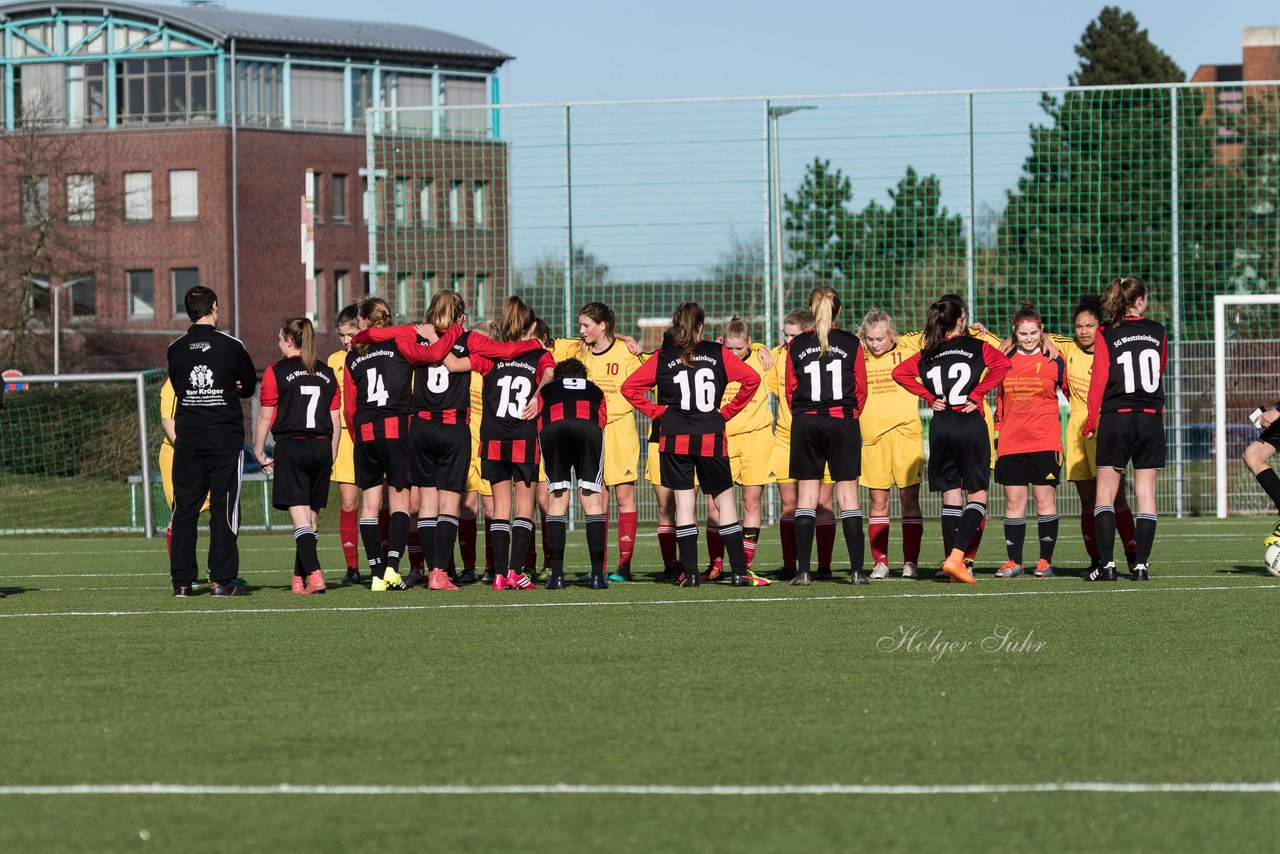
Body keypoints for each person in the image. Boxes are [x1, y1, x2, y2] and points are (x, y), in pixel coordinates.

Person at [358, 292, 545, 591]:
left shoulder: (414, 333)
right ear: (460, 317)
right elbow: (508, 352)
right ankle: (439, 574)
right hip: (452, 427)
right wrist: (536, 346)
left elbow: (370, 333)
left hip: (419, 427)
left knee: (427, 505)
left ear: (431, 311)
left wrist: (375, 333)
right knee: (449, 504)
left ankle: (433, 569)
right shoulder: (468, 338)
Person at [621, 302, 764, 587]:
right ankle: (739, 572)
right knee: (724, 500)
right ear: (701, 327)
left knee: (684, 503)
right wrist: (726, 412)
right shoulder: (717, 352)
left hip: (674, 437)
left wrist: (657, 412)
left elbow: (629, 388)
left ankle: (691, 574)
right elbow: (752, 379)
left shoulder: (663, 357)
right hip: (710, 435)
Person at [345, 296, 462, 591]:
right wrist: (452, 334)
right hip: (397, 429)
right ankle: (392, 569)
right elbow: (435, 354)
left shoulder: (352, 355)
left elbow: (349, 406)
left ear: (366, 322)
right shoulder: (400, 343)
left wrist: (356, 436)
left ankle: (374, 574)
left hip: (366, 432)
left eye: (359, 320)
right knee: (400, 505)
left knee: (370, 506)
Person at [893, 294, 1011, 584]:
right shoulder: (977, 347)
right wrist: (979, 392)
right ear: (961, 319)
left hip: (942, 425)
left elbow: (899, 373)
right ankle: (958, 558)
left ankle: (952, 561)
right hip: (969, 423)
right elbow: (1003, 366)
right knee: (978, 494)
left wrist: (929, 396)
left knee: (951, 496)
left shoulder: (928, 353)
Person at [444, 296, 556, 590]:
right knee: (523, 508)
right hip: (522, 437)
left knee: (498, 509)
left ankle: (497, 574)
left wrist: (437, 337)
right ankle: (515, 573)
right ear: (532, 327)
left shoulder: (491, 357)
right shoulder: (538, 354)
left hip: (493, 439)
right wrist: (538, 395)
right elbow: (549, 373)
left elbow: (453, 365)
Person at [166, 285, 258, 597]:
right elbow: (248, 387)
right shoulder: (232, 345)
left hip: (189, 438)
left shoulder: (175, 349)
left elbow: (180, 388)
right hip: (224, 438)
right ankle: (222, 580)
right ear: (214, 307)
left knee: (185, 510)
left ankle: (182, 582)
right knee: (225, 508)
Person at [550, 303, 646, 581]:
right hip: (591, 431)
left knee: (624, 496)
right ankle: (599, 567)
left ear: (603, 325)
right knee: (597, 498)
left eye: (586, 325)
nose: (581, 331)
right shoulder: (576, 349)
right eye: (580, 325)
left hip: (620, 430)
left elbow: (652, 372)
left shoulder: (627, 353)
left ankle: (624, 567)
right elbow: (543, 341)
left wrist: (626, 339)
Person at [1082, 276, 1166, 582]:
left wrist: (1091, 422)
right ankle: (1141, 565)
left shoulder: (1106, 332)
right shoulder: (1158, 330)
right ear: (1141, 300)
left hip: (1117, 416)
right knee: (1146, 493)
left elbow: (1099, 379)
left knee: (1104, 494)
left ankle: (1107, 565)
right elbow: (1159, 370)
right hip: (1150, 417)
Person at [784, 287, 870, 586]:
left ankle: (804, 571)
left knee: (806, 497)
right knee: (848, 497)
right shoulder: (851, 342)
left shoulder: (796, 345)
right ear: (840, 311)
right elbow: (861, 388)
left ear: (810, 310)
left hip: (807, 423)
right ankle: (858, 571)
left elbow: (790, 390)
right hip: (842, 421)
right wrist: (848, 417)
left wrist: (805, 416)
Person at [1050, 297, 1140, 573]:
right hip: (1077, 429)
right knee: (1087, 500)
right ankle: (1097, 559)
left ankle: (1133, 554)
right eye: (1078, 326)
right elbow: (1032, 333)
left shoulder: (1111, 348)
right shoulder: (1066, 348)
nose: (1084, 331)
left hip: (1107, 427)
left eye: (1090, 325)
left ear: (1100, 326)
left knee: (1116, 498)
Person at [252, 318, 341, 594]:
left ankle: (315, 574)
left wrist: (257, 450)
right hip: (321, 447)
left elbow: (266, 416)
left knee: (301, 519)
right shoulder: (326, 372)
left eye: (280, 337)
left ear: (290, 341)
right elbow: (335, 419)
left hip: (292, 446)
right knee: (310, 521)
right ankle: (298, 578)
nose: (278, 342)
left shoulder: (276, 371)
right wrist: (332, 452)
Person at [992, 304, 1065, 579]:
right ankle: (1015, 561)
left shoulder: (1055, 358)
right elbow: (998, 398)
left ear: (1042, 331)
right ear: (1015, 332)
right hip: (1011, 441)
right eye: (1023, 333)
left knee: (1043, 499)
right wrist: (998, 433)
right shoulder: (1003, 357)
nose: (1029, 338)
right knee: (1014, 502)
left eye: (1034, 333)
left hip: (1045, 440)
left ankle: (1045, 561)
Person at [767, 309, 838, 580]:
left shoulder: (825, 352)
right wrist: (762, 348)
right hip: (786, 438)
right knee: (788, 504)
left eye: (792, 335)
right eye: (784, 335)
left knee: (823, 502)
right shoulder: (776, 357)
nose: (787, 340)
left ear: (808, 333)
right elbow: (746, 355)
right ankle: (789, 565)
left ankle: (825, 566)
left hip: (822, 435)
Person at [856, 310, 926, 580]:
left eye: (880, 339)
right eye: (870, 339)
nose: (875, 345)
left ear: (891, 334)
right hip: (873, 440)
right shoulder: (858, 356)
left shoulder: (910, 348)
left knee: (909, 501)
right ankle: (881, 562)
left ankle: (910, 562)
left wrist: (975, 328)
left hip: (906, 435)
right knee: (878, 502)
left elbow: (941, 330)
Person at [703, 316, 774, 582]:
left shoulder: (762, 360)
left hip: (756, 439)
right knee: (714, 507)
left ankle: (745, 564)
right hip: (723, 440)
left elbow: (784, 349)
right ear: (721, 343)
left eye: (740, 348)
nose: (734, 354)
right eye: (729, 349)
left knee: (751, 502)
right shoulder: (714, 363)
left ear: (748, 343)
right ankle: (716, 564)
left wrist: (760, 347)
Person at [537, 358, 610, 588]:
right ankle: (597, 576)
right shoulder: (595, 390)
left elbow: (537, 416)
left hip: (553, 430)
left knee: (557, 501)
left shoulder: (548, 389)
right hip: (587, 429)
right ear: (582, 377)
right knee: (592, 499)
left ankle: (557, 576)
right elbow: (602, 421)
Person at [327, 304, 363, 585]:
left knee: (383, 502)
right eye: (341, 335)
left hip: (372, 433)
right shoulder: (333, 360)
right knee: (349, 503)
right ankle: (352, 567)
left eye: (350, 333)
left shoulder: (375, 355)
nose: (345, 340)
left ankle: (386, 562)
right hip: (344, 438)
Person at [158, 378, 211, 560]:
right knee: (181, 511)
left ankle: (219, 573)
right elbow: (168, 422)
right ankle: (182, 572)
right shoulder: (172, 384)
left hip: (208, 454)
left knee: (222, 508)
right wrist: (186, 450)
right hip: (178, 455)